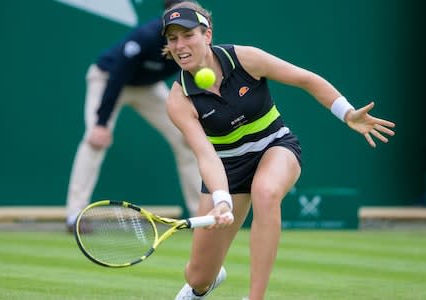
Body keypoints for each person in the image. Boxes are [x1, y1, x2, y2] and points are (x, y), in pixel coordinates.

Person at [161, 2, 396, 300]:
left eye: (187, 35)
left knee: (266, 193)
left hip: (275, 147)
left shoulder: (245, 58)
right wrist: (221, 200)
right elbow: (206, 155)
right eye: (173, 38)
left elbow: (306, 79)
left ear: (207, 34)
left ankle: (255, 297)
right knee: (198, 277)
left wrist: (348, 113)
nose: (180, 45)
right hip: (226, 169)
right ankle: (206, 280)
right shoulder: (178, 100)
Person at [65, 0, 201, 233]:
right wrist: (101, 124)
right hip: (108, 80)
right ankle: (74, 215)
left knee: (186, 140)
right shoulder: (145, 38)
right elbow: (117, 76)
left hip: (149, 87)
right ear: (166, 16)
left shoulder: (192, 44)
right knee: (94, 141)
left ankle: (201, 217)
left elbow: (193, 79)